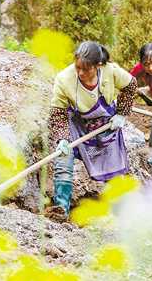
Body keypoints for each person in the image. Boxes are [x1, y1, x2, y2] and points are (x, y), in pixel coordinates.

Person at [46, 41, 138, 221]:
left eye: (86, 69)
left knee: (115, 169)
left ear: (98, 65)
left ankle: (122, 214)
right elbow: (57, 112)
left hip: (106, 126)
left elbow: (131, 85)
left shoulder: (110, 71)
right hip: (78, 126)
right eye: (78, 67)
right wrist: (62, 138)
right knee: (63, 158)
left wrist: (122, 114)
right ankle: (61, 209)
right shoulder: (64, 79)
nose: (80, 73)